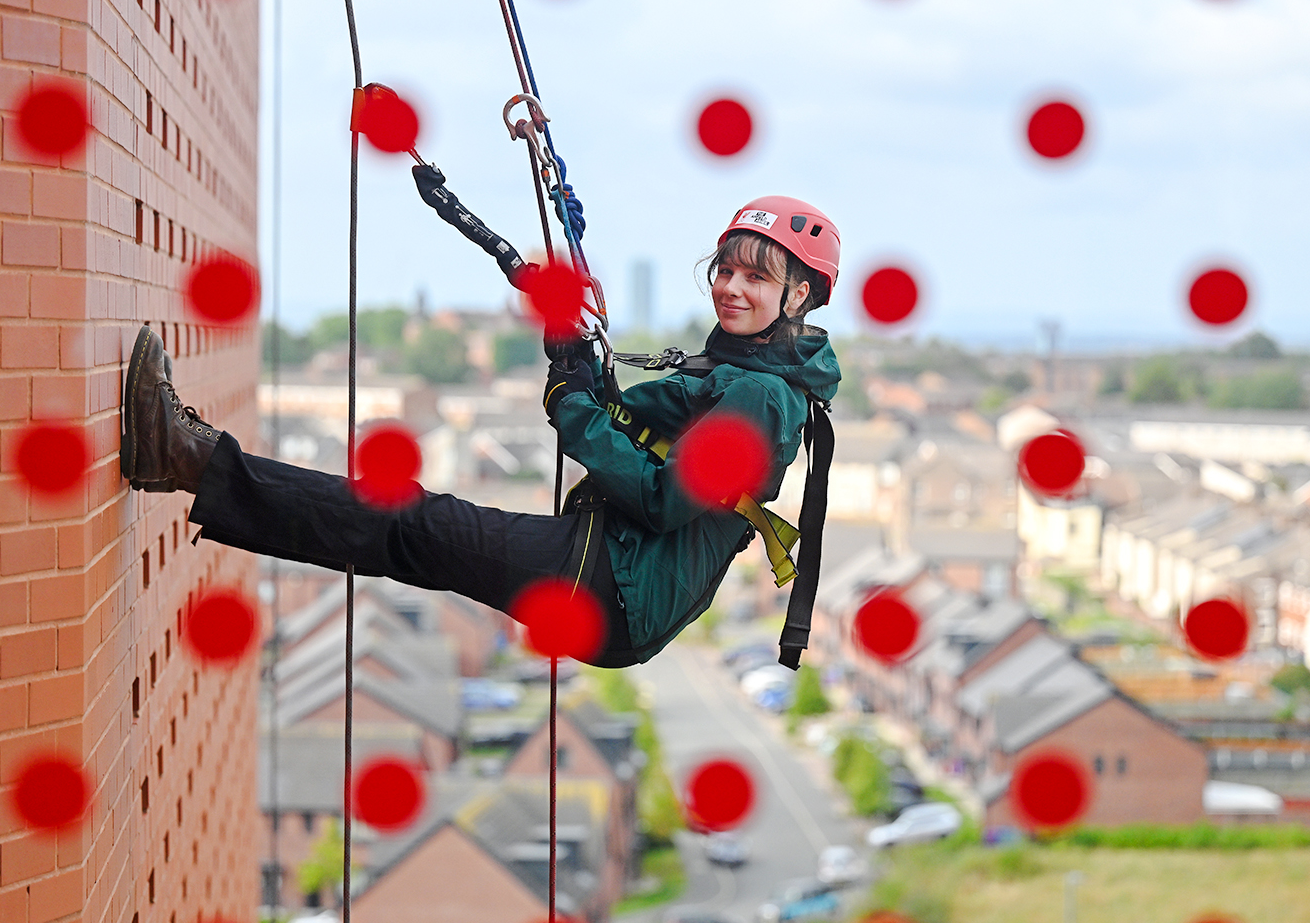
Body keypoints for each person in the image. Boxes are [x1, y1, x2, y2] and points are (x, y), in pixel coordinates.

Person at [121, 196, 841, 667]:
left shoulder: (760, 396)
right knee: (407, 531)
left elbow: (659, 497)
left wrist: (573, 402)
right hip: (618, 578)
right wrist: (580, 368)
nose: (732, 287)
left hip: (616, 585)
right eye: (726, 268)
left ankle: (187, 459)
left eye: (756, 277)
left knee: (409, 524)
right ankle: (187, 462)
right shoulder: (740, 373)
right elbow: (634, 425)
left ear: (799, 294)